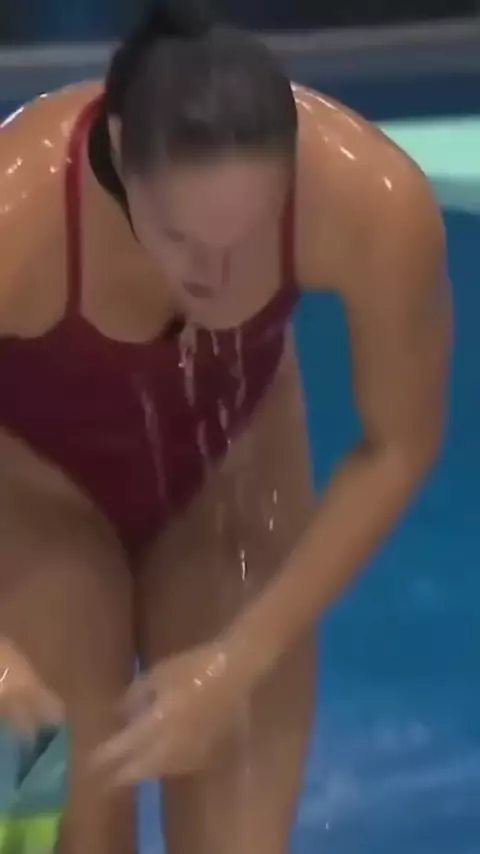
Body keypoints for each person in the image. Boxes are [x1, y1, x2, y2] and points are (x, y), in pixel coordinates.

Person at [0, 3, 451, 854]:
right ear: (121, 158)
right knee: (69, 824)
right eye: (181, 239)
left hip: (230, 470)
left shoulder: (371, 203)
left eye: (249, 238)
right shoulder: (16, 213)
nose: (218, 279)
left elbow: (400, 444)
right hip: (28, 485)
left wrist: (242, 656)